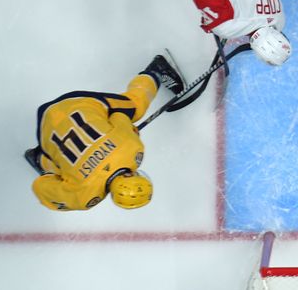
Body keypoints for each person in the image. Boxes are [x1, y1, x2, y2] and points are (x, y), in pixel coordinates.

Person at [24, 54, 184, 211]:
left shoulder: (132, 149)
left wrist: (129, 131)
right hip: (45, 130)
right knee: (63, 170)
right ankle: (38, 158)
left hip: (74, 104)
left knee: (133, 106)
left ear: (130, 176)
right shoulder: (83, 198)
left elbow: (118, 116)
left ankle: (155, 71)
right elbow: (40, 186)